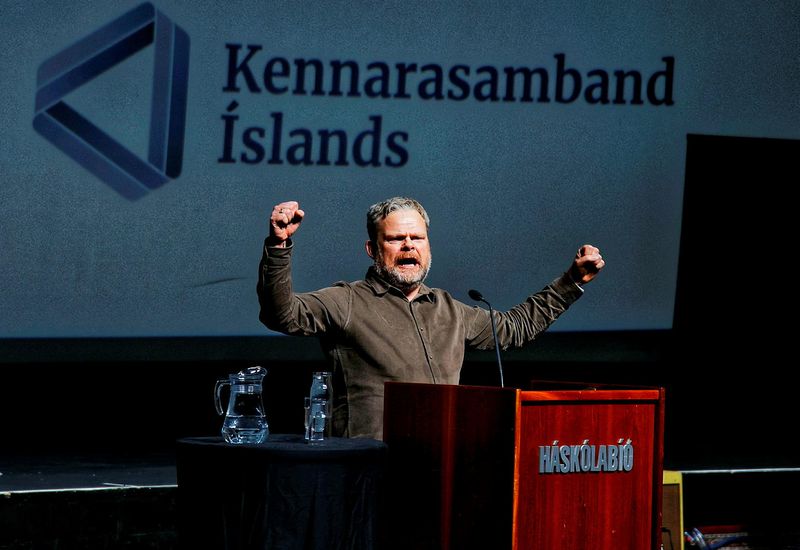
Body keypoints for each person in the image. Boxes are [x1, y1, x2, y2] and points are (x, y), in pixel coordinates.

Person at [257, 197, 604, 440]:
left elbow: (514, 329)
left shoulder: (448, 308)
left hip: (444, 458)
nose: (409, 245)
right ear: (373, 249)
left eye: (417, 237)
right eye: (395, 239)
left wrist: (570, 282)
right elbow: (282, 313)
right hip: (371, 464)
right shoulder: (348, 301)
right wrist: (279, 247)